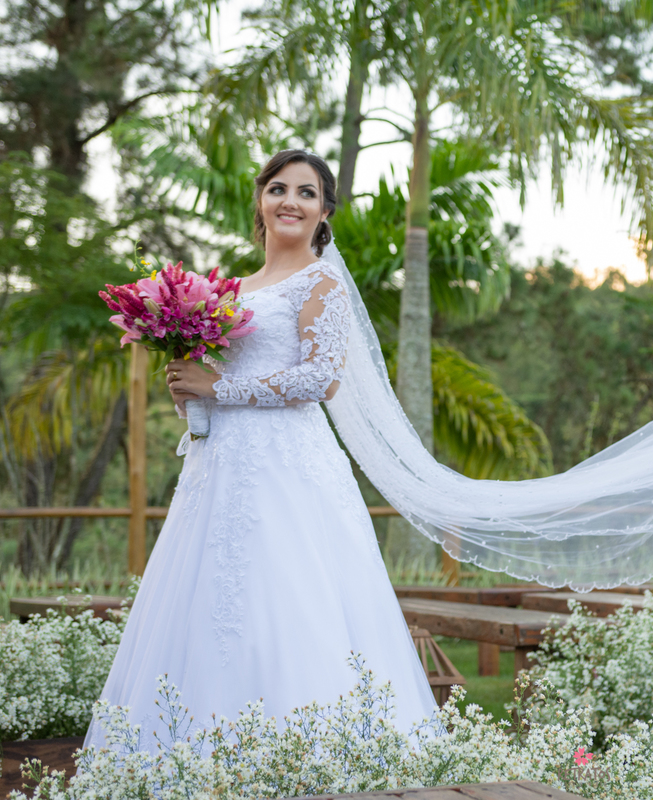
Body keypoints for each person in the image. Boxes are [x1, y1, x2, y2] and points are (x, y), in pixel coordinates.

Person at [85, 150, 437, 749]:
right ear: (261, 201)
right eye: (278, 189)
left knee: (289, 597)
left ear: (325, 210)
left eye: (306, 192)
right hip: (218, 465)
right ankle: (196, 750)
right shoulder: (232, 290)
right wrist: (189, 388)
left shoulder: (321, 280)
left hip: (288, 468)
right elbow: (215, 384)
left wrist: (218, 386)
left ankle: (306, 753)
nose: (290, 201)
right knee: (205, 601)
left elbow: (321, 378)